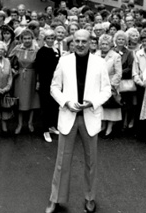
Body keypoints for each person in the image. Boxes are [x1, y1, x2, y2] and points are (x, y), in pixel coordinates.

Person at [45, 30, 111, 213]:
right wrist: (66, 102)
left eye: (84, 41)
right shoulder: (64, 61)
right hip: (68, 116)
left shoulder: (99, 62)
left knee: (91, 163)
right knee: (61, 162)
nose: (80, 44)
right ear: (72, 42)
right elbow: (54, 88)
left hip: (90, 117)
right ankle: (55, 199)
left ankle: (90, 198)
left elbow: (107, 90)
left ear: (91, 42)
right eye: (77, 41)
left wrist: (93, 102)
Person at [9, 29, 40, 135]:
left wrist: (38, 80)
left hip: (32, 76)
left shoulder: (36, 49)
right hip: (19, 77)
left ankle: (30, 123)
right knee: (20, 101)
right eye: (25, 38)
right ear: (21, 39)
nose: (27, 41)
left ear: (32, 39)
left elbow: (40, 67)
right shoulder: (17, 49)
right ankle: (20, 124)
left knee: (32, 100)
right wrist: (13, 69)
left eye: (29, 38)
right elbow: (8, 61)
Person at [35, 29, 61, 143]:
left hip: (56, 81)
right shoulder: (41, 51)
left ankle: (52, 126)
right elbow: (39, 68)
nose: (50, 40)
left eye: (52, 38)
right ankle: (45, 130)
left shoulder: (57, 50)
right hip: (45, 81)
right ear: (45, 39)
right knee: (45, 106)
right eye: (48, 38)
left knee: (54, 105)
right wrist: (38, 81)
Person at [96, 34, 122, 138]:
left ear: (111, 45)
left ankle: (109, 128)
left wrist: (111, 86)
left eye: (107, 44)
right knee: (100, 106)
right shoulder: (95, 55)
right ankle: (102, 126)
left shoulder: (116, 56)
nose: (104, 46)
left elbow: (118, 73)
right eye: (102, 44)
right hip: (98, 85)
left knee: (111, 106)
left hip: (111, 85)